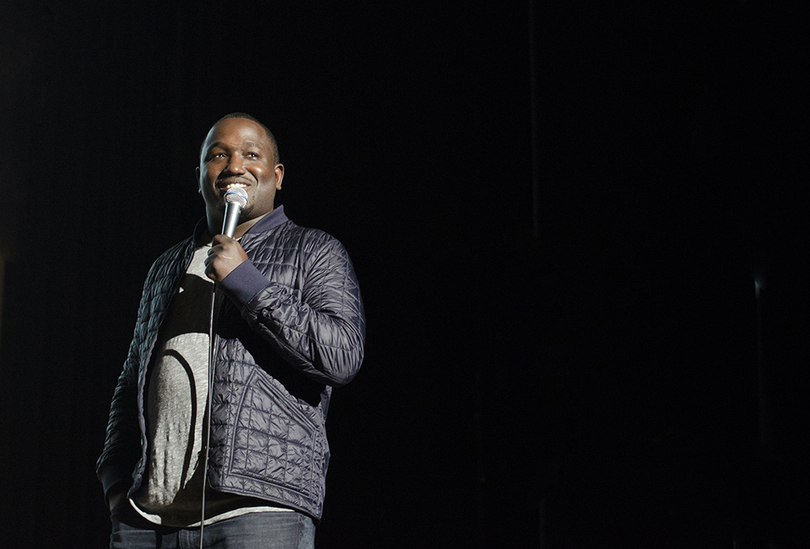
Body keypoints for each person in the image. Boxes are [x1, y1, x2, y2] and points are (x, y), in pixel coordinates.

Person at [97, 113, 366, 548]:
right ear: (202, 175)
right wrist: (114, 480)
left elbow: (341, 355)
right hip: (147, 519)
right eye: (218, 155)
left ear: (276, 177)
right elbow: (131, 381)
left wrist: (248, 282)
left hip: (257, 513)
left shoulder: (315, 250)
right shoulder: (166, 266)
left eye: (251, 154)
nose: (234, 165)